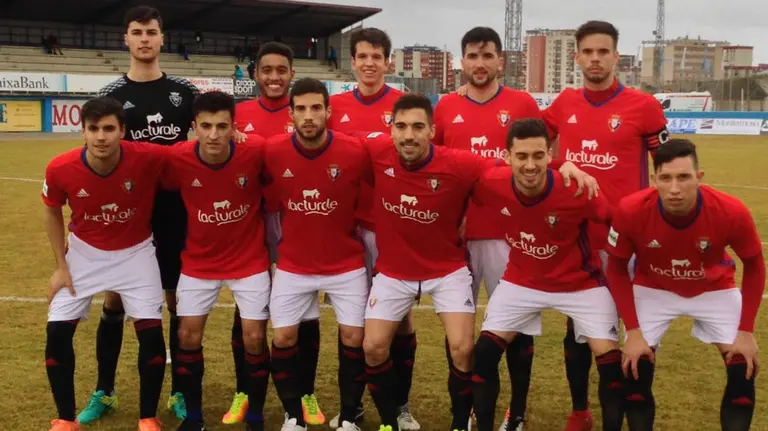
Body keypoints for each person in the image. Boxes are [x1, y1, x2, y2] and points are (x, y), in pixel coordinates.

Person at [362, 95, 596, 431]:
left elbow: (518, 166)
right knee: (372, 346)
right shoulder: (374, 153)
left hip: (447, 269)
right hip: (393, 271)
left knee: (463, 349)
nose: (408, 135)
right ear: (390, 130)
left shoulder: (459, 163)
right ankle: (391, 421)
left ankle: (460, 423)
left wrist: (563, 165)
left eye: (417, 127)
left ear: (432, 131)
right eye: (400, 127)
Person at [499, 20, 670, 431]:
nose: (595, 59)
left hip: (627, 240)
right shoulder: (564, 104)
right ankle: (580, 411)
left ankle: (633, 410)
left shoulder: (644, 107)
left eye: (603, 51)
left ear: (616, 55)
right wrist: (562, 162)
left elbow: (669, 166)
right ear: (577, 57)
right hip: (577, 240)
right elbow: (532, 150)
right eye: (588, 52)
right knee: (579, 331)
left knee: (635, 334)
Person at [82, 5, 200, 424]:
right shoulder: (112, 95)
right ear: (126, 39)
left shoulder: (186, 92)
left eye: (152, 31)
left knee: (175, 301)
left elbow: (210, 133)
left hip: (177, 212)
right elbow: (96, 158)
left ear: (162, 38)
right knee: (114, 301)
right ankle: (105, 390)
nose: (145, 38)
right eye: (137, 31)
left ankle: (180, 393)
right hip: (130, 214)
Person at [470, 118, 624, 431]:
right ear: (507, 156)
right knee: (483, 355)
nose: (530, 165)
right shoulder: (491, 180)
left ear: (548, 154)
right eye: (522, 156)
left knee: (610, 366)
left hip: (580, 284)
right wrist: (563, 161)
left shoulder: (578, 189)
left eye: (539, 156)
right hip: (521, 281)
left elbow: (614, 220)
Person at [605, 138, 765, 431]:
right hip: (653, 288)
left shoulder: (731, 211)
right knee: (635, 368)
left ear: (699, 178)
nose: (675, 188)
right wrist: (634, 332)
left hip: (714, 288)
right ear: (654, 179)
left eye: (684, 177)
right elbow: (615, 268)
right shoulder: (630, 210)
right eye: (665, 178)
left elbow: (754, 267)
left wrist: (746, 331)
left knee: (744, 366)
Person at [432, 27, 542, 431]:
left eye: (488, 55)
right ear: (462, 60)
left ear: (500, 60)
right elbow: (435, 167)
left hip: (508, 236)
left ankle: (516, 410)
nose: (480, 63)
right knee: (459, 329)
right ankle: (464, 411)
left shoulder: (522, 103)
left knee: (516, 324)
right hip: (456, 237)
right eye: (473, 56)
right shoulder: (445, 107)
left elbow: (539, 163)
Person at [42, 97, 170, 431]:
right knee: (57, 332)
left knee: (152, 334)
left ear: (122, 131)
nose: (101, 137)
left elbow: (193, 151)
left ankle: (147, 417)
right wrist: (61, 266)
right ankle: (65, 419)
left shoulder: (147, 157)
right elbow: (52, 210)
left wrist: (239, 135)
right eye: (94, 129)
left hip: (136, 253)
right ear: (82, 131)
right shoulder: (59, 167)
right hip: (84, 254)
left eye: (109, 129)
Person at [263, 78, 370, 431]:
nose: (309, 116)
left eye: (316, 108)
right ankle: (294, 417)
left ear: (328, 111)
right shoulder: (273, 151)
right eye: (301, 109)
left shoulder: (355, 151)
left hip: (346, 264)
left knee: (355, 339)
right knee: (283, 338)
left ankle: (350, 416)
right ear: (290, 113)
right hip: (294, 264)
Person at [162, 91, 271, 431]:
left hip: (249, 260)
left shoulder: (255, 152)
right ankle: (194, 419)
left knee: (254, 337)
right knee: (187, 336)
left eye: (221, 126)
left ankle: (254, 417)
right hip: (199, 263)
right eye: (205, 126)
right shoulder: (176, 158)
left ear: (233, 127)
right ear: (193, 127)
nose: (213, 134)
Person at [234, 42, 325, 427]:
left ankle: (306, 393)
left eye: (281, 70)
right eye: (266, 69)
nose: (274, 76)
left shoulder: (308, 114)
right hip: (252, 222)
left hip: (297, 219)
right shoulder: (237, 115)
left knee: (304, 308)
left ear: (291, 73)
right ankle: (245, 391)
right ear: (255, 74)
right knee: (248, 308)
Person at [328, 27, 414, 430]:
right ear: (353, 60)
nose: (368, 63)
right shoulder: (335, 106)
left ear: (387, 62)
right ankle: (353, 407)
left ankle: (399, 406)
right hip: (346, 229)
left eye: (376, 56)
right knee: (353, 321)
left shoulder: (404, 106)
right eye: (362, 56)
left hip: (393, 229)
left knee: (399, 321)